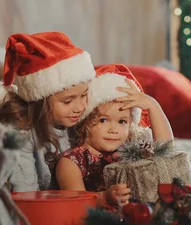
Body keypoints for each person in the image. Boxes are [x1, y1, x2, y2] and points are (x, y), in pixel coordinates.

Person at [0, 31, 95, 191]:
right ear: (40, 100)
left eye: (84, 95)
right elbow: (25, 194)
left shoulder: (79, 119)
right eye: (68, 101)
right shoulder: (18, 132)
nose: (80, 107)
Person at [55, 64, 173, 206]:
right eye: (103, 120)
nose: (113, 130)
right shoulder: (71, 162)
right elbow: (76, 203)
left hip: (144, 213)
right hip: (105, 222)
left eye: (122, 121)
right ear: (85, 121)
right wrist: (104, 198)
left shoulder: (132, 150)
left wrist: (153, 106)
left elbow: (166, 151)